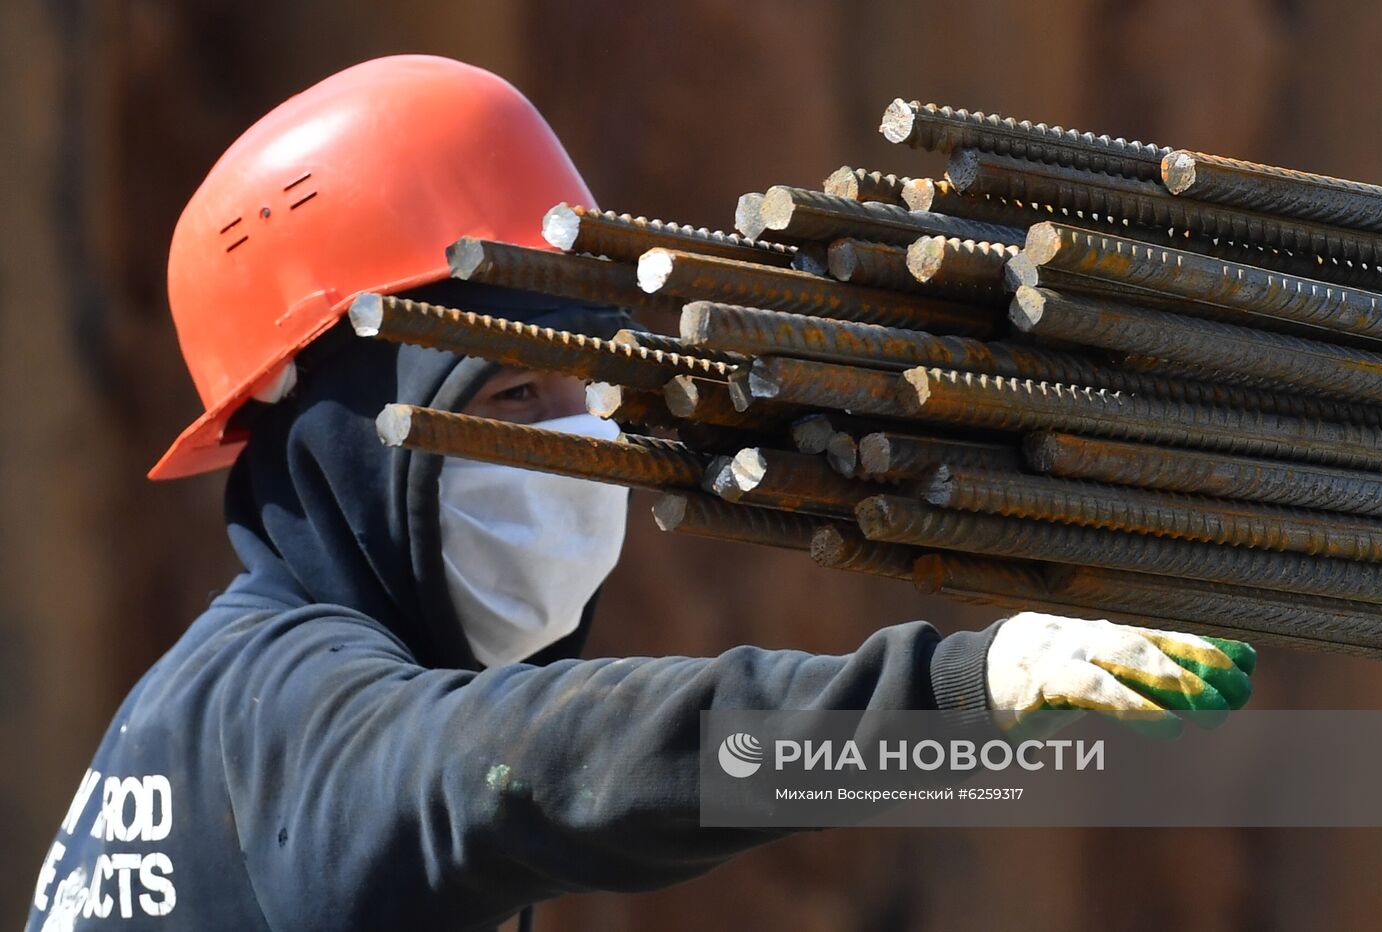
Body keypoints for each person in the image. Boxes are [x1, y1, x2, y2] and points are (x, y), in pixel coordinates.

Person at [25, 55, 1254, 932]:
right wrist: (949, 693)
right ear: (338, 434)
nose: (573, 443)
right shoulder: (293, 723)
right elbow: (536, 766)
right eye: (511, 396)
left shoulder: (215, 719)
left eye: (588, 389)